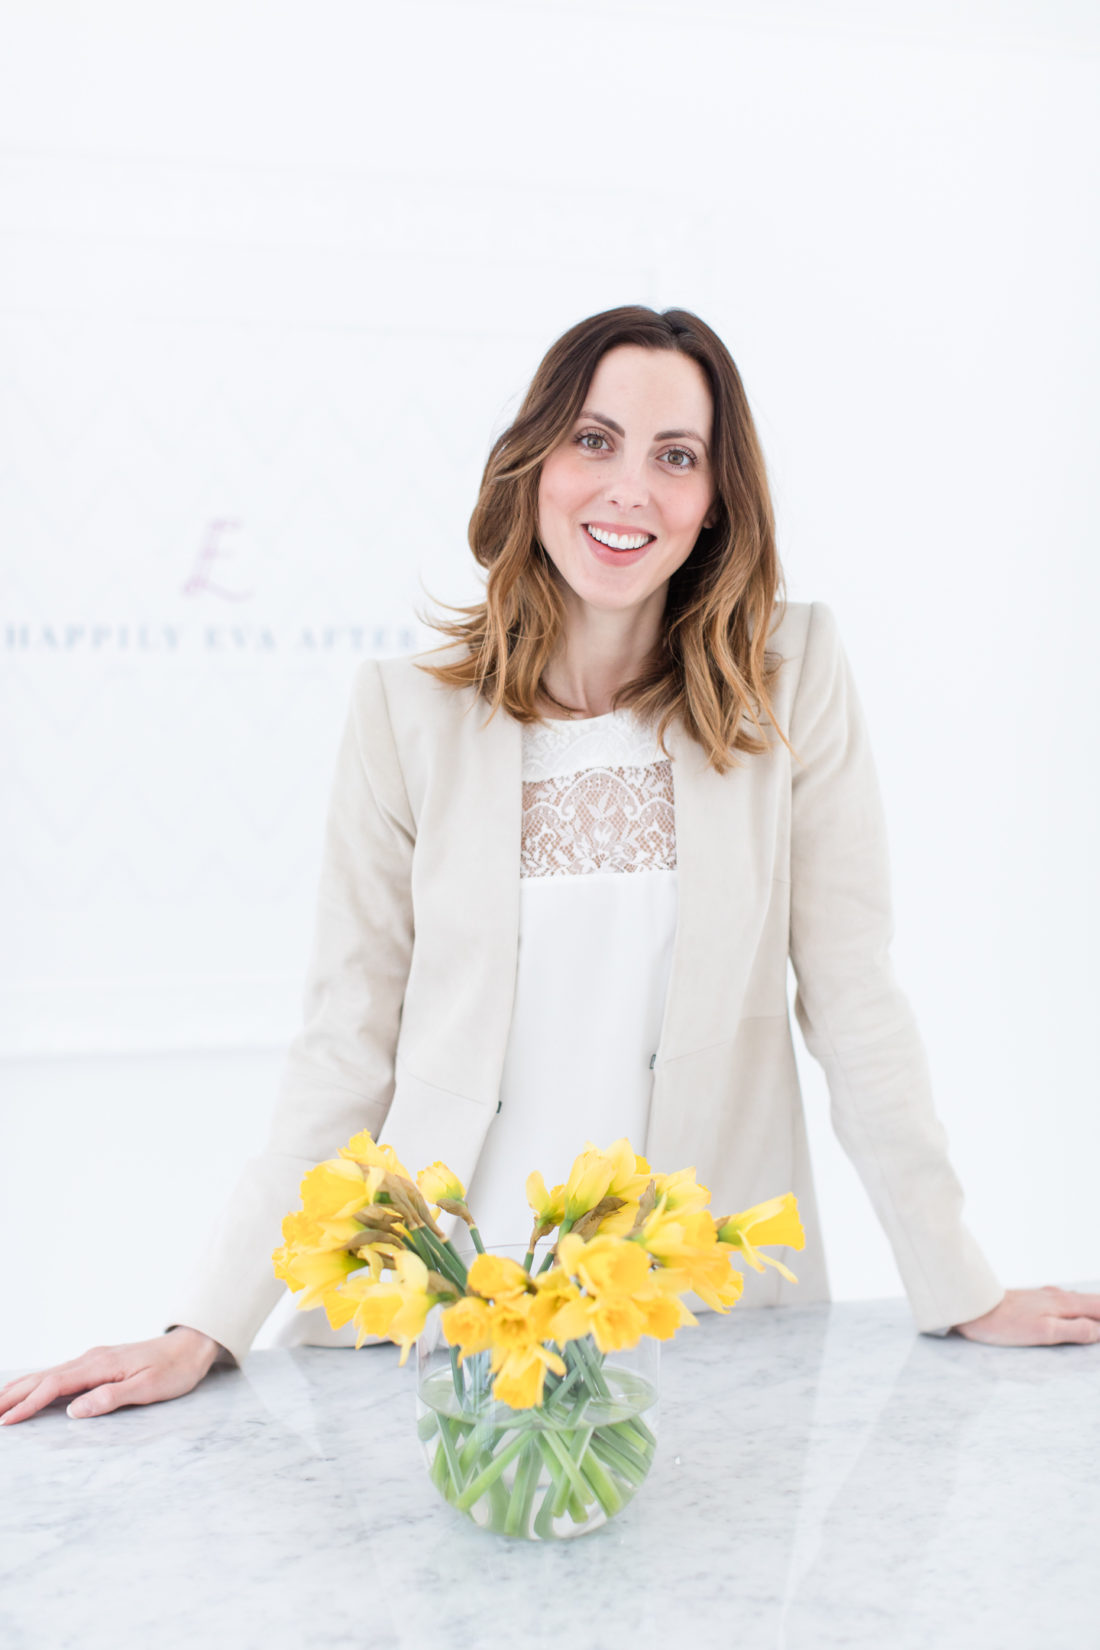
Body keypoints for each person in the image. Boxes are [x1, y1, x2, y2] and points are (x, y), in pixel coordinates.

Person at [4, 306, 1098, 1429]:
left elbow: (853, 994)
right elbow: (347, 1047)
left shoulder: (790, 675)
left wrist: (956, 1283)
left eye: (675, 457)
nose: (629, 489)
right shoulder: (404, 718)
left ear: (714, 499)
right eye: (593, 439)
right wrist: (206, 1324)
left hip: (693, 1325)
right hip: (443, 1324)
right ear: (532, 464)